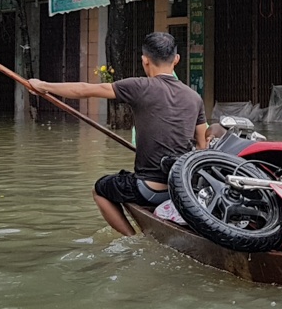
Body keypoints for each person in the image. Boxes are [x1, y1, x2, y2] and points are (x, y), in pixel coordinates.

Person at [30, 31, 208, 236]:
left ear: (145, 60)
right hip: (182, 190)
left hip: (148, 190)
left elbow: (84, 90)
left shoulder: (139, 87)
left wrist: (44, 86)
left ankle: (133, 238)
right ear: (176, 59)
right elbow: (202, 146)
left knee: (100, 189)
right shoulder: (195, 98)